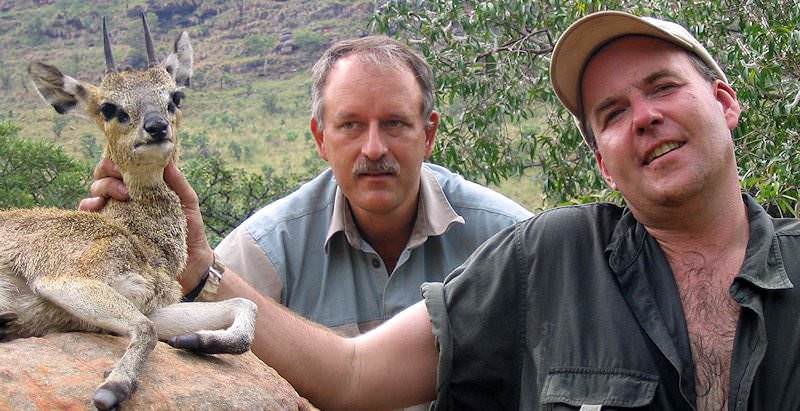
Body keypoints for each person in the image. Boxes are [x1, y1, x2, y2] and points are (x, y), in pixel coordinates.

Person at [86, 11, 800, 410]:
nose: (643, 117)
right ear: (599, 158)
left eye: (663, 87)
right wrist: (200, 268)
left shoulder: (503, 228)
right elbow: (354, 374)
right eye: (612, 111)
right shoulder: (551, 256)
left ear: (726, 101)